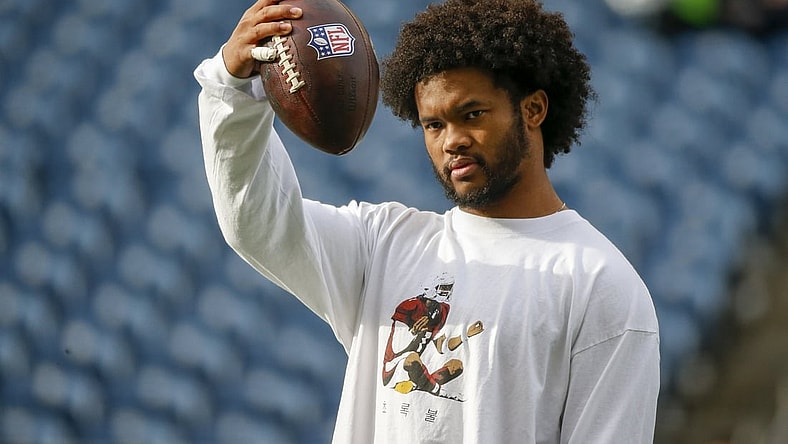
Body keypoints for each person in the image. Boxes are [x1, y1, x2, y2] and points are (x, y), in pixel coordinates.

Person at [194, 0, 661, 442]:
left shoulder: (600, 284)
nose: (451, 141)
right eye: (433, 125)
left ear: (533, 109)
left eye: (472, 114)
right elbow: (253, 218)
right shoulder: (383, 245)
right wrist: (231, 88)